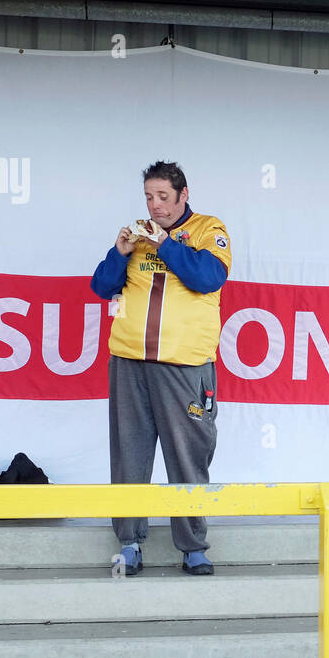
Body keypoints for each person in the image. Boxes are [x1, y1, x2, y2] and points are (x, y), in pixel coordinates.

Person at [90, 161, 232, 576]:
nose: (155, 206)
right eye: (149, 197)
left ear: (183, 195)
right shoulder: (137, 233)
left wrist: (166, 243)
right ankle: (129, 542)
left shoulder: (210, 229)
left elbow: (208, 278)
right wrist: (119, 252)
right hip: (130, 360)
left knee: (187, 456)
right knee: (129, 455)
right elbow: (101, 287)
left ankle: (193, 548)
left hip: (184, 364)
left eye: (163, 197)